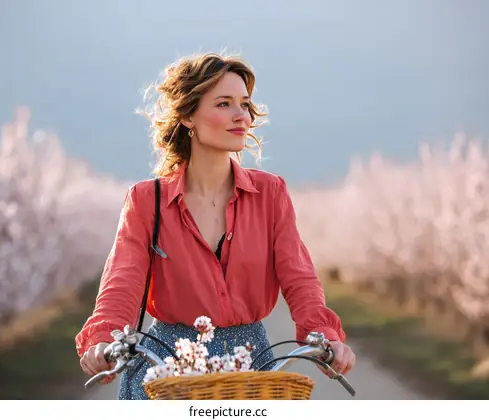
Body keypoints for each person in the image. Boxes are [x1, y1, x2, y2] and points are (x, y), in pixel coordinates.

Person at [76, 51, 356, 400]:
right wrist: (103, 339)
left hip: (251, 362)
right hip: (165, 368)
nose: (241, 116)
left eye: (245, 104)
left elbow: (299, 278)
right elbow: (121, 284)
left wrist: (323, 335)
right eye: (224, 104)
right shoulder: (147, 200)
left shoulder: (270, 193)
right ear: (189, 115)